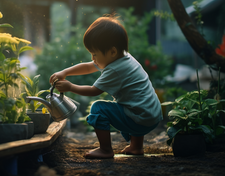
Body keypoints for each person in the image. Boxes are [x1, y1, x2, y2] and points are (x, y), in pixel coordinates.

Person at [49, 15, 163, 159]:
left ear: (112, 51)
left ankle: (105, 149)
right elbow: (89, 66)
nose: (92, 59)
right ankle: (136, 147)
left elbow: (94, 91)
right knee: (130, 104)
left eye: (94, 54)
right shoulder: (124, 57)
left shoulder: (115, 69)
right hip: (151, 115)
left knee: (98, 108)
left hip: (140, 119)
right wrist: (65, 72)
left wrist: (70, 87)